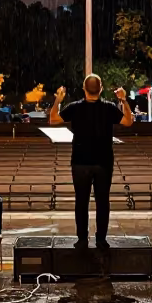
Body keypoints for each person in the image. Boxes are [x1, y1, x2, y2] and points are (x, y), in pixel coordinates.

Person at [49, 74, 133, 250]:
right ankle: (101, 239)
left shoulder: (75, 107)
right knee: (103, 201)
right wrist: (124, 100)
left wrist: (58, 100)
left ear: (84, 89)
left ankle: (82, 239)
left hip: (80, 161)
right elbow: (128, 121)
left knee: (81, 201)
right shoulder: (109, 108)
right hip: (104, 161)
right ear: (101, 89)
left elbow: (53, 119)